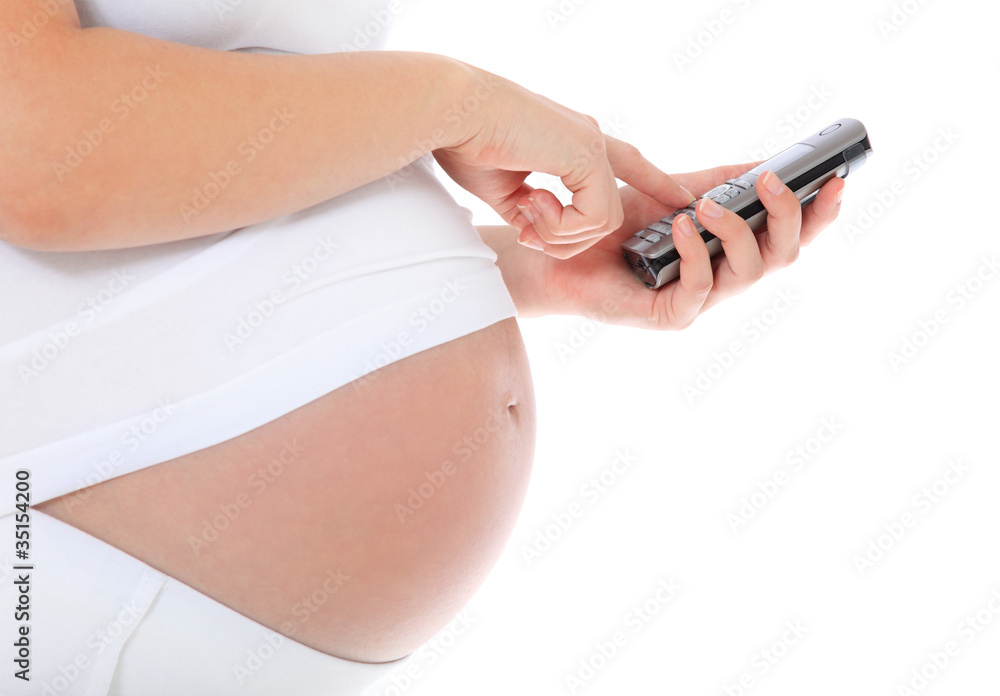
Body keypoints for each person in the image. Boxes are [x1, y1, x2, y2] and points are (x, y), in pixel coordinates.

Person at [0, 1, 846, 694]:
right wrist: (457, 105)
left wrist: (527, 271)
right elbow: (31, 147)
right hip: (62, 546)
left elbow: (237, 176)